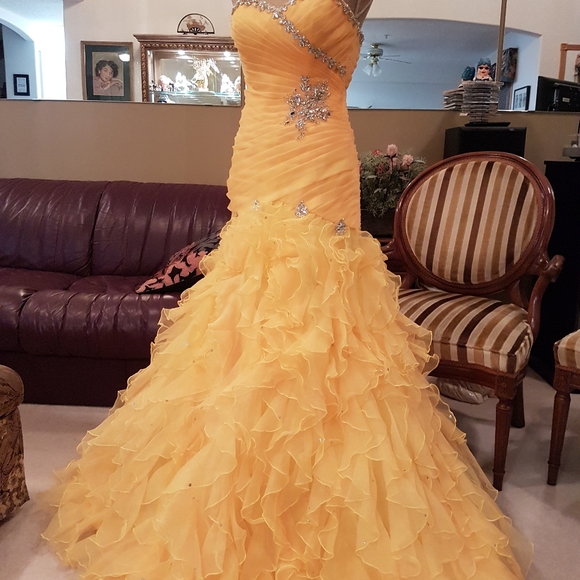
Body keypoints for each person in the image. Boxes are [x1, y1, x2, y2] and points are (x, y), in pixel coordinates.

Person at [43, 1, 532, 578]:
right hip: (257, 154)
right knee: (247, 309)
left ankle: (329, 499)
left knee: (324, 311)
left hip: (321, 159)